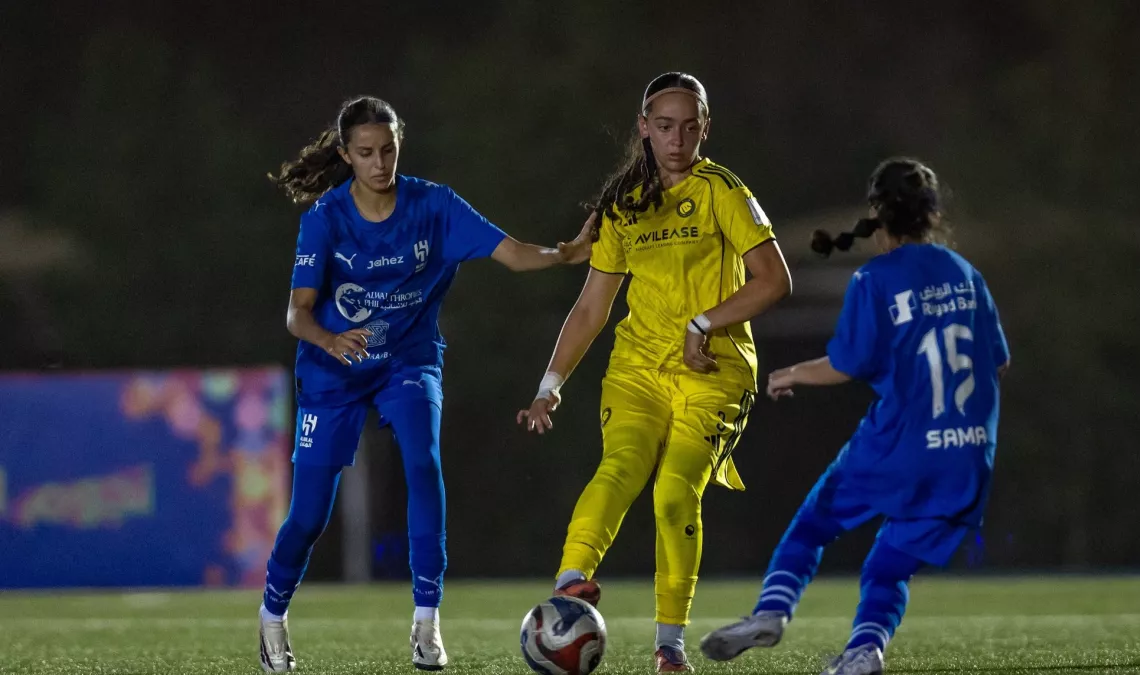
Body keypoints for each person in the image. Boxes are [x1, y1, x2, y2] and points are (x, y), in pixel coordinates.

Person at [258, 95, 594, 673]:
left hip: (407, 363)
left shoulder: (434, 205)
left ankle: (426, 623)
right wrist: (331, 341)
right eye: (365, 153)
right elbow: (297, 314)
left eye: (388, 149)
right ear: (346, 155)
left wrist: (566, 254)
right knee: (309, 516)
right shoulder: (325, 218)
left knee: (423, 463)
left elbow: (512, 254)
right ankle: (271, 618)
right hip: (331, 373)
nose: (380, 162)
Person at [517, 72, 793, 672]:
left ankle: (669, 645)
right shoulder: (625, 203)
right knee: (620, 466)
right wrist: (548, 387)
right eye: (664, 127)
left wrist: (702, 325)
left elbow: (775, 281)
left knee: (673, 495)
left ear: (705, 129)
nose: (677, 140)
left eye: (689, 127)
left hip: (715, 371)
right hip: (637, 367)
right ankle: (571, 583)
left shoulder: (723, 191)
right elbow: (592, 306)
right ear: (644, 128)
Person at [698, 158, 1011, 675]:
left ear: (877, 215)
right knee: (890, 565)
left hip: (899, 443)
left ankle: (772, 613)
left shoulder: (875, 278)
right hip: (968, 452)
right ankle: (865, 650)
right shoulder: (966, 275)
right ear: (933, 214)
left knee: (812, 526)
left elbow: (847, 363)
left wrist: (792, 372)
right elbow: (997, 360)